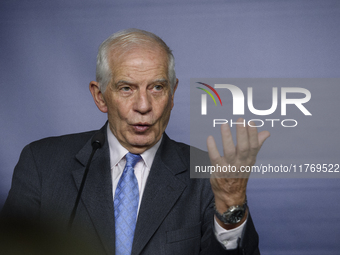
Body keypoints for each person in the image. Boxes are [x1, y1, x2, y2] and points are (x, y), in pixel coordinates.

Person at [1, 29, 270, 254]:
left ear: (173, 94)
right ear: (100, 96)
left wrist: (231, 209)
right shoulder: (41, 163)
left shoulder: (207, 173)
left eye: (157, 87)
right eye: (126, 88)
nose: (144, 106)